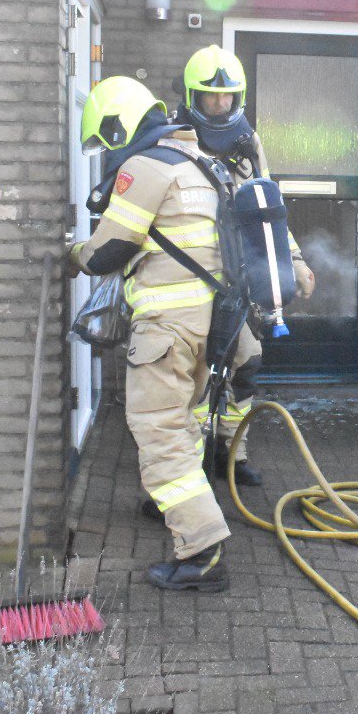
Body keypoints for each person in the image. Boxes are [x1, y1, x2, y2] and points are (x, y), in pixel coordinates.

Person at [67, 75, 235, 592]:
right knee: (182, 426)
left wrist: (72, 252)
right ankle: (176, 506)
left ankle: (201, 551)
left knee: (159, 433)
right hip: (212, 323)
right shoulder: (202, 164)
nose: (107, 151)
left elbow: (109, 252)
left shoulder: (145, 168)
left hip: (166, 329)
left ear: (120, 124)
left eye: (105, 138)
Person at [174, 45, 316, 489]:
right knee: (197, 375)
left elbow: (268, 208)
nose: (218, 107)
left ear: (240, 98)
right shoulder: (175, 140)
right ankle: (191, 467)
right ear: (191, 97)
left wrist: (294, 259)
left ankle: (233, 453)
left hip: (240, 273)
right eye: (209, 98)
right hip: (191, 275)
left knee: (247, 364)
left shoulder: (248, 143)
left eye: (227, 98)